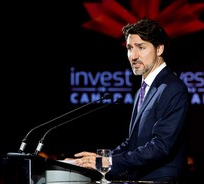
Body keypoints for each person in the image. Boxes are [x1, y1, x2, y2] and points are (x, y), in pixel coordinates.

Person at [67, 18, 190, 182]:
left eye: (141, 47)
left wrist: (109, 162)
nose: (133, 56)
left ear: (159, 49)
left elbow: (161, 146)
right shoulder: (144, 88)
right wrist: (99, 160)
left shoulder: (172, 88)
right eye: (130, 48)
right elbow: (133, 143)